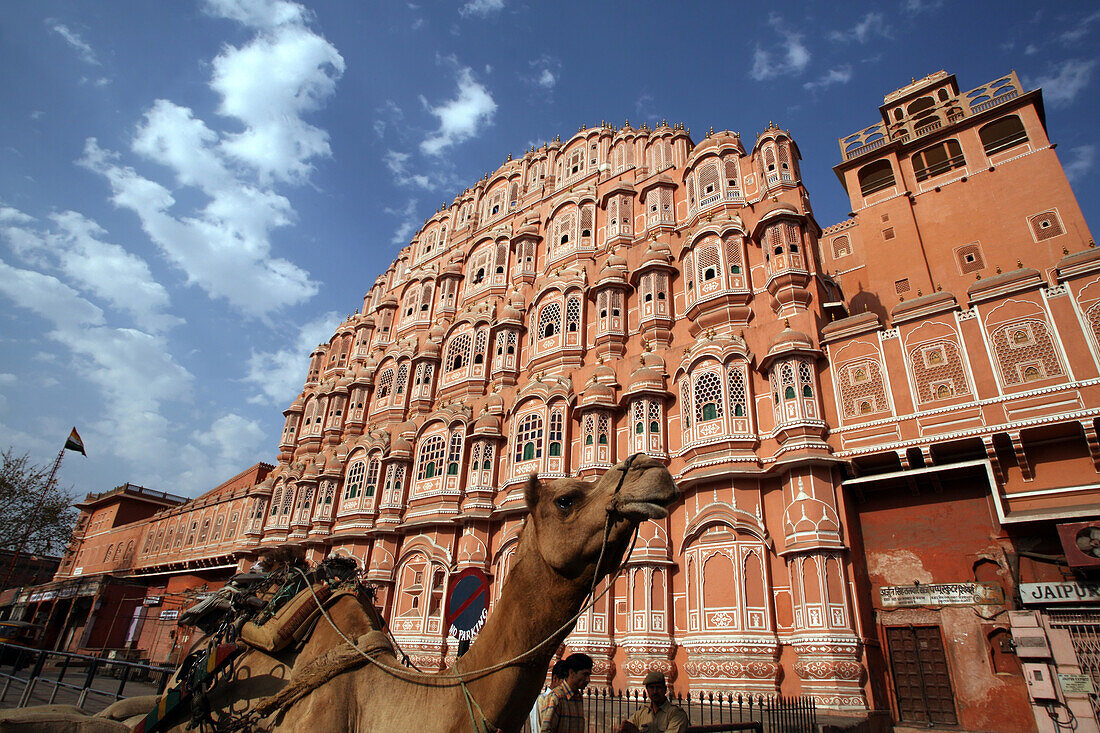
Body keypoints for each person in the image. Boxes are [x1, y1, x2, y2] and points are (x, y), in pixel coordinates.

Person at [615, 671, 688, 733]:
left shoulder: (676, 714)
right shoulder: (641, 714)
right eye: (651, 688)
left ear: (665, 689)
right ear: (647, 690)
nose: (655, 692)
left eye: (658, 687)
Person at [538, 652, 593, 733]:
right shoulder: (555, 697)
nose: (588, 680)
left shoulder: (578, 698)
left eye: (589, 675)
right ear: (572, 673)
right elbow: (546, 730)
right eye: (585, 674)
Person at [528, 659, 568, 732]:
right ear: (555, 678)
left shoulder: (564, 700)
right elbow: (538, 728)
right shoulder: (541, 700)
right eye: (563, 684)